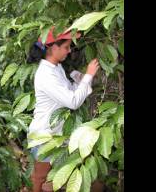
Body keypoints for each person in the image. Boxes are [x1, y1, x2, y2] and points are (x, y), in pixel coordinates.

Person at [26, 26, 102, 192]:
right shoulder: (46, 75)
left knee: (52, 182)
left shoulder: (56, 68)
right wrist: (88, 75)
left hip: (56, 135)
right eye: (66, 47)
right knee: (39, 183)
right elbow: (73, 101)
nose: (69, 51)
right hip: (44, 137)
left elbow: (70, 92)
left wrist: (79, 79)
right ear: (53, 47)